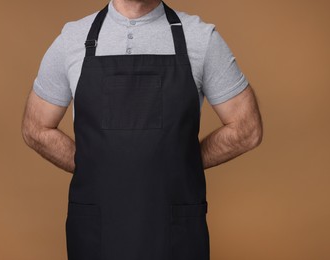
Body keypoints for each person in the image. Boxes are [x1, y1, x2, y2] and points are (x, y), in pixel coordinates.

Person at [21, 0, 263, 259]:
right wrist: (94, 164)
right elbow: (35, 128)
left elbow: (247, 129)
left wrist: (182, 161)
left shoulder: (201, 39)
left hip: (173, 233)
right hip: (98, 231)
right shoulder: (73, 39)